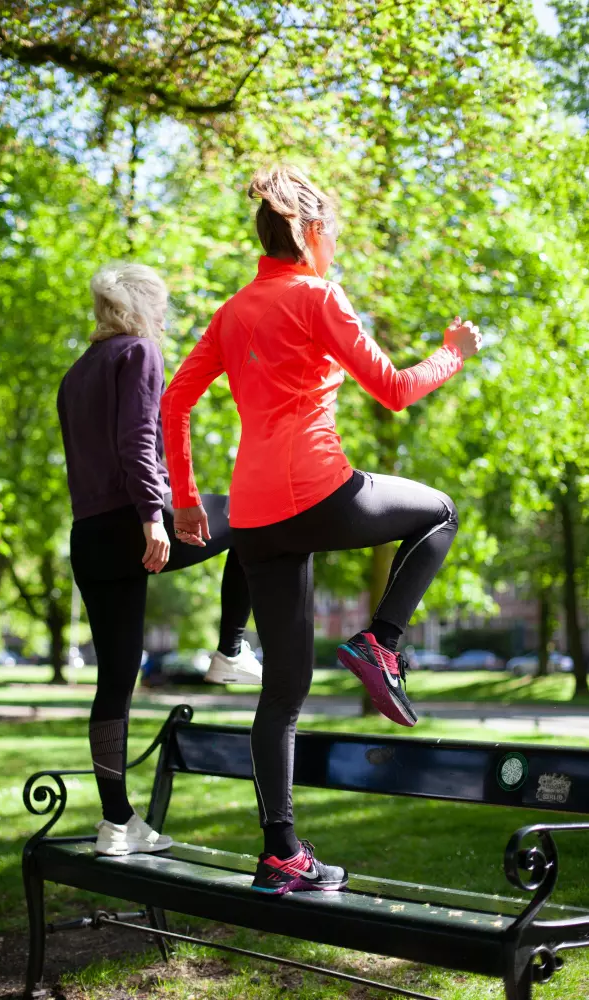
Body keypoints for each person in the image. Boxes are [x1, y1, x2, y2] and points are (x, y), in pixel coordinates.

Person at [161, 166, 482, 894]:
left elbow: (174, 403)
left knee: (283, 691)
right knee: (439, 511)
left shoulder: (233, 310)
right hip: (317, 490)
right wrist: (452, 354)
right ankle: (383, 642)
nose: (336, 243)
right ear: (309, 234)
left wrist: (187, 500)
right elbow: (395, 391)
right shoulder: (317, 296)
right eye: (331, 230)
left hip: (254, 518)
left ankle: (280, 855)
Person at [57, 262, 260, 857]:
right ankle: (229, 650)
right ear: (143, 308)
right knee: (254, 513)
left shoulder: (75, 373)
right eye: (162, 306)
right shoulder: (138, 351)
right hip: (135, 520)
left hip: (88, 537)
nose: (165, 318)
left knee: (114, 681)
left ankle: (117, 823)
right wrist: (153, 516)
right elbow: (138, 439)